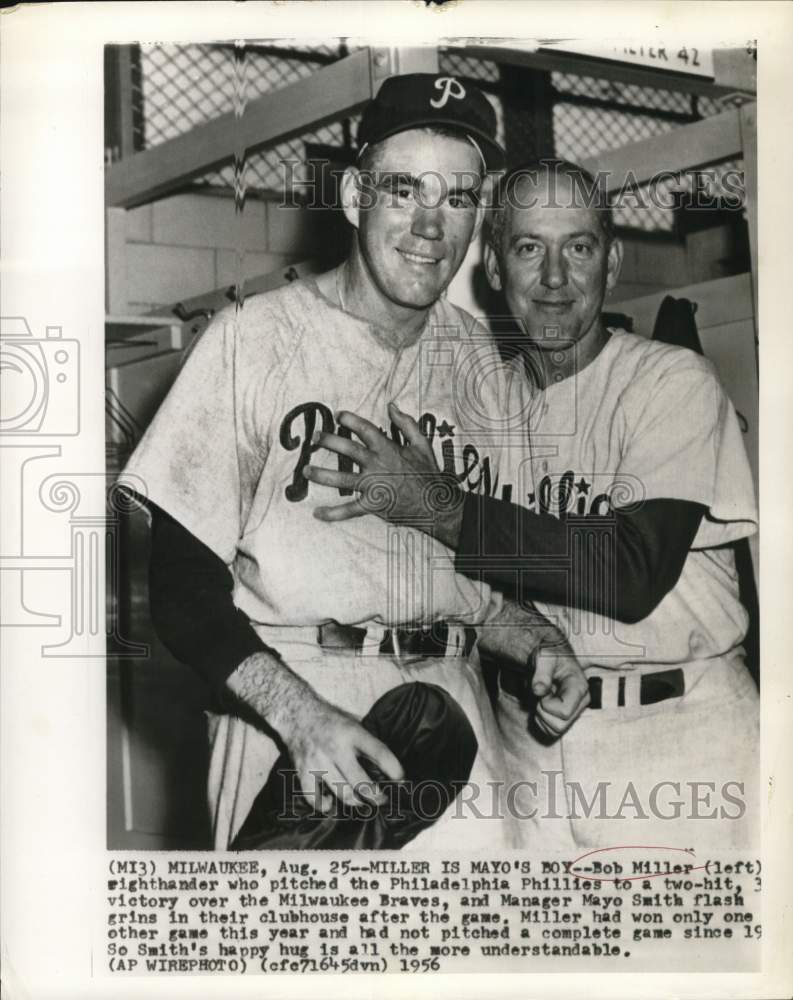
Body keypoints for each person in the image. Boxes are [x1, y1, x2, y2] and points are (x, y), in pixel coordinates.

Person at [120, 81, 589, 851]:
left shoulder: (477, 357)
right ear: (352, 195)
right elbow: (181, 593)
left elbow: (473, 589)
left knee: (471, 966)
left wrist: (537, 642)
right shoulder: (252, 340)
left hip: (456, 712)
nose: (431, 225)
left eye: (459, 196)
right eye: (403, 189)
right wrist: (301, 717)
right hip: (296, 708)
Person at [308, 158, 760, 850]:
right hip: (522, 741)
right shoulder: (479, 402)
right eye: (527, 248)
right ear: (492, 266)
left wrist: (437, 507)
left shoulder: (670, 381)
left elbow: (629, 572)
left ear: (610, 263)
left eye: (577, 248)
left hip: (677, 733)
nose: (554, 279)